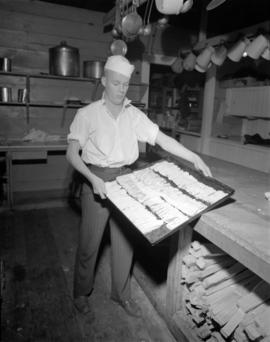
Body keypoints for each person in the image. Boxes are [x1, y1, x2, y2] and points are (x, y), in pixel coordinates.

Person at [66, 55, 212, 318]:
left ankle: (121, 295)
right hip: (95, 179)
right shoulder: (86, 115)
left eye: (125, 84)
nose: (121, 89)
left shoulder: (134, 115)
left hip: (125, 181)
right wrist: (92, 177)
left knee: (125, 242)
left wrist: (193, 157)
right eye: (116, 83)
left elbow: (162, 139)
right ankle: (80, 292)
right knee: (90, 242)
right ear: (103, 81)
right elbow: (72, 154)